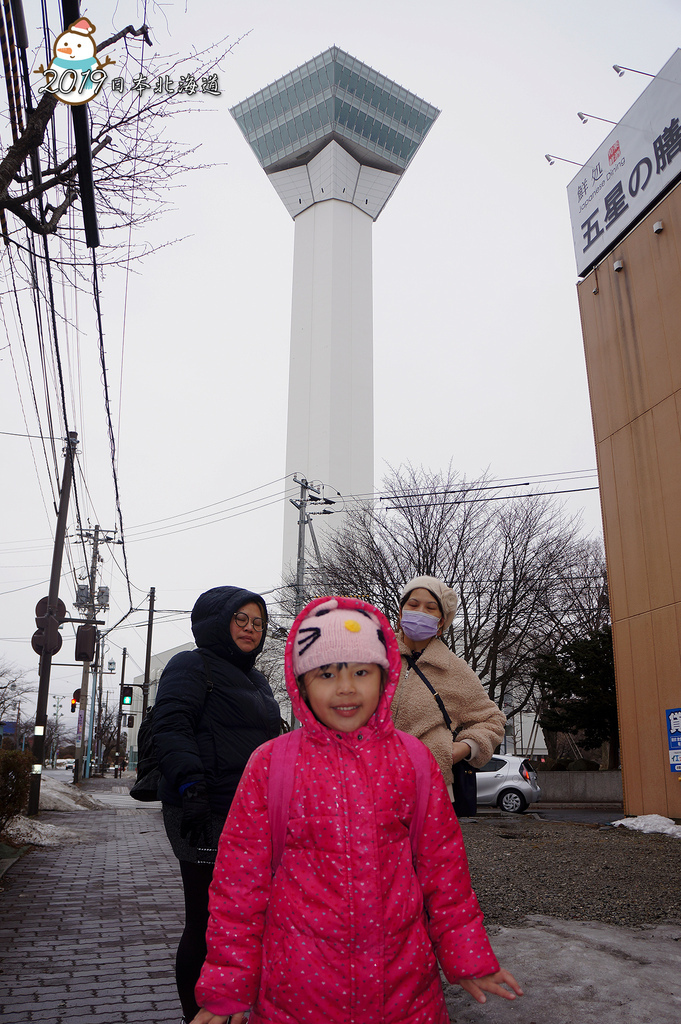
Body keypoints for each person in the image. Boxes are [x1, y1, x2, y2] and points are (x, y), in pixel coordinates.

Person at [190, 595, 522, 1024]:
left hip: (405, 992)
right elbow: (240, 885)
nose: (345, 688)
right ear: (301, 682)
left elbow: (444, 871)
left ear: (385, 678)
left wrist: (467, 956)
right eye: (326, 673)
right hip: (298, 992)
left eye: (361, 672)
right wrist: (230, 984)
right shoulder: (272, 764)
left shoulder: (413, 760)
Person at [151, 585, 281, 1023]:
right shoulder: (191, 664)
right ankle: (198, 1015)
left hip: (250, 813)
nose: (250, 628)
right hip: (202, 809)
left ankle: (233, 1005)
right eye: (240, 619)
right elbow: (169, 727)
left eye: (258, 622)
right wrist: (191, 788)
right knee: (207, 920)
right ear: (215, 621)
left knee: (244, 916)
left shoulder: (258, 680)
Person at [391, 576, 506, 791]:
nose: (420, 612)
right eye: (413, 605)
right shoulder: (375, 658)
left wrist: (462, 748)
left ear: (441, 621)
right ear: (401, 612)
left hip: (427, 788)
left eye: (431, 607)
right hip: (366, 783)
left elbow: (493, 719)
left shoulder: (454, 669)